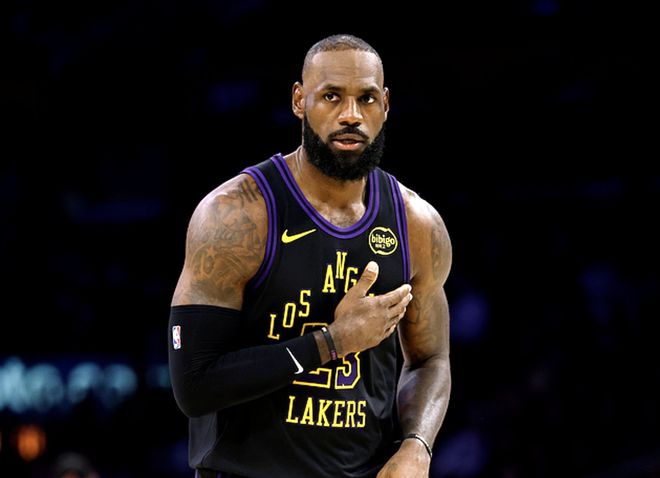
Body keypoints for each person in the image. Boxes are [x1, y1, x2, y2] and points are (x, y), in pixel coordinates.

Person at [168, 33, 452, 478]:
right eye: (332, 96)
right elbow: (194, 386)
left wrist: (417, 445)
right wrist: (332, 342)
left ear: (385, 105)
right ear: (300, 101)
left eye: (366, 98)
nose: (351, 115)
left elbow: (431, 360)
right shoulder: (237, 214)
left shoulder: (416, 224)